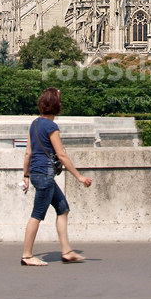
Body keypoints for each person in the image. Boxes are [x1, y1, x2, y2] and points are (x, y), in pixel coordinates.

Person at [21, 88, 92, 266]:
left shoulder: (35, 124)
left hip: (38, 174)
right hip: (45, 175)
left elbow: (28, 152)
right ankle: (27, 256)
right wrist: (79, 176)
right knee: (37, 214)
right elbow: (61, 155)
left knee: (63, 209)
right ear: (57, 106)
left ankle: (67, 251)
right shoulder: (52, 127)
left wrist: (26, 175)